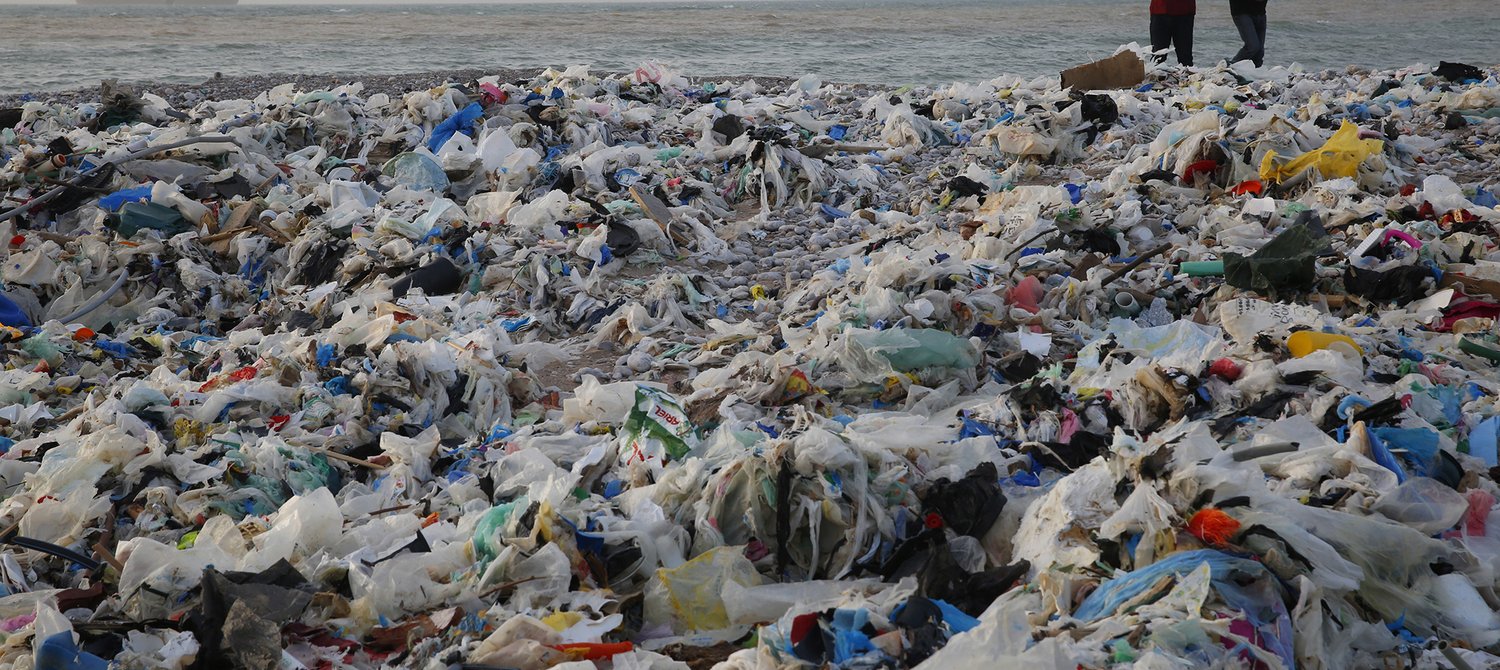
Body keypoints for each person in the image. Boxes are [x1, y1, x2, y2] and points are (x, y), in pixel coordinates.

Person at [1149, 0, 1197, 66]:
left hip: (1184, 12)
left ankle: (1186, 75)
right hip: (1160, 10)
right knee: (1158, 57)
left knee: (1185, 58)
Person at [1231, 0, 1269, 67]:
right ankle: (1230, 67)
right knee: (1252, 47)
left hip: (1260, 13)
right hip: (1241, 11)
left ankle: (1255, 73)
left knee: (1259, 53)